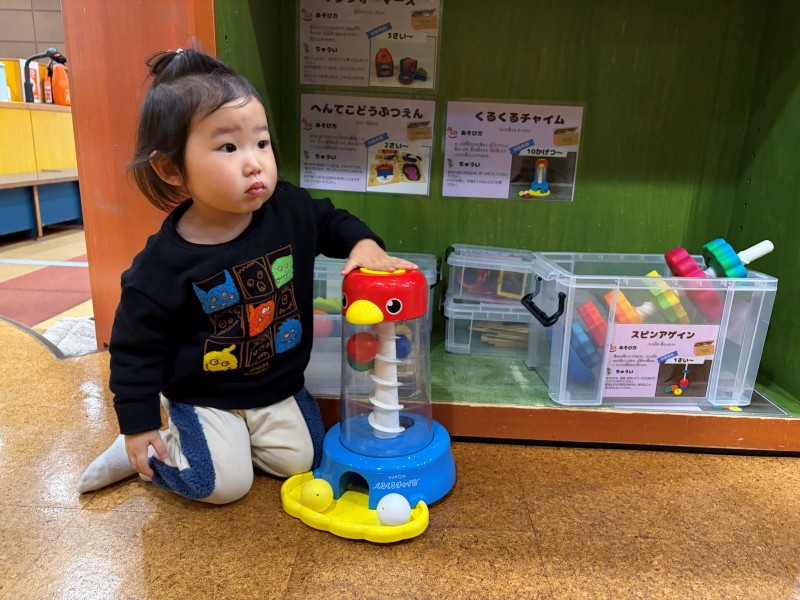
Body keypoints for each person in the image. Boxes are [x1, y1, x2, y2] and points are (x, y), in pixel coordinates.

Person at [78, 48, 416, 503]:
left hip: (275, 386)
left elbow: (331, 221)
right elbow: (134, 352)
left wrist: (362, 243)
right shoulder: (161, 266)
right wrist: (137, 426)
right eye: (228, 147)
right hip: (203, 395)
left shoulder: (287, 209)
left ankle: (229, 443)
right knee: (220, 486)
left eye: (261, 142)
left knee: (302, 461)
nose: (255, 162)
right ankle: (154, 449)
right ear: (171, 169)